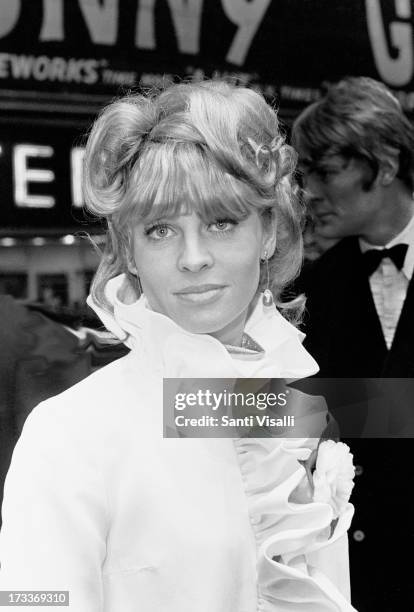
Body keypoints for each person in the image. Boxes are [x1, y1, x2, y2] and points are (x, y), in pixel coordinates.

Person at [0, 81, 356, 611]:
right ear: (129, 250)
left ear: (269, 234)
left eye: (221, 222)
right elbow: (33, 600)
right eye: (161, 230)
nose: (193, 258)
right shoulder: (72, 432)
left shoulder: (288, 415)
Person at [291, 76, 414, 609]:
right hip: (356, 576)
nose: (310, 191)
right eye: (304, 174)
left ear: (384, 165)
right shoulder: (307, 292)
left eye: (325, 171)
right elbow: (295, 418)